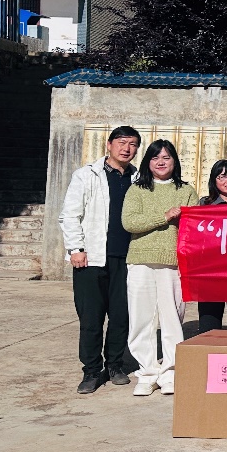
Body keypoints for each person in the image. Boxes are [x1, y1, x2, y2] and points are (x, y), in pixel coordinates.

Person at [60, 125, 141, 394]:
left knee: (121, 316)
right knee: (91, 318)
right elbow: (70, 215)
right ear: (109, 144)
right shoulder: (86, 175)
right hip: (91, 258)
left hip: (126, 258)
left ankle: (115, 365)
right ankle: (91, 371)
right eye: (121, 142)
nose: (126, 148)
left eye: (132, 144)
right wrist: (76, 248)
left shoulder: (139, 178)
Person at [121, 139, 198, 396]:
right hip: (140, 260)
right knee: (141, 319)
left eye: (166, 157)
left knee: (172, 319)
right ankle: (147, 372)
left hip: (173, 263)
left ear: (174, 161)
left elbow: (194, 227)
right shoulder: (137, 189)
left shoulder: (186, 190)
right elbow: (129, 222)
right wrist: (164, 217)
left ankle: (170, 373)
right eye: (155, 158)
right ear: (148, 162)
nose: (161, 162)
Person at [196, 159, 227, 333]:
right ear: (214, 180)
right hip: (212, 271)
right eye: (222, 176)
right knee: (209, 321)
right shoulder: (204, 204)